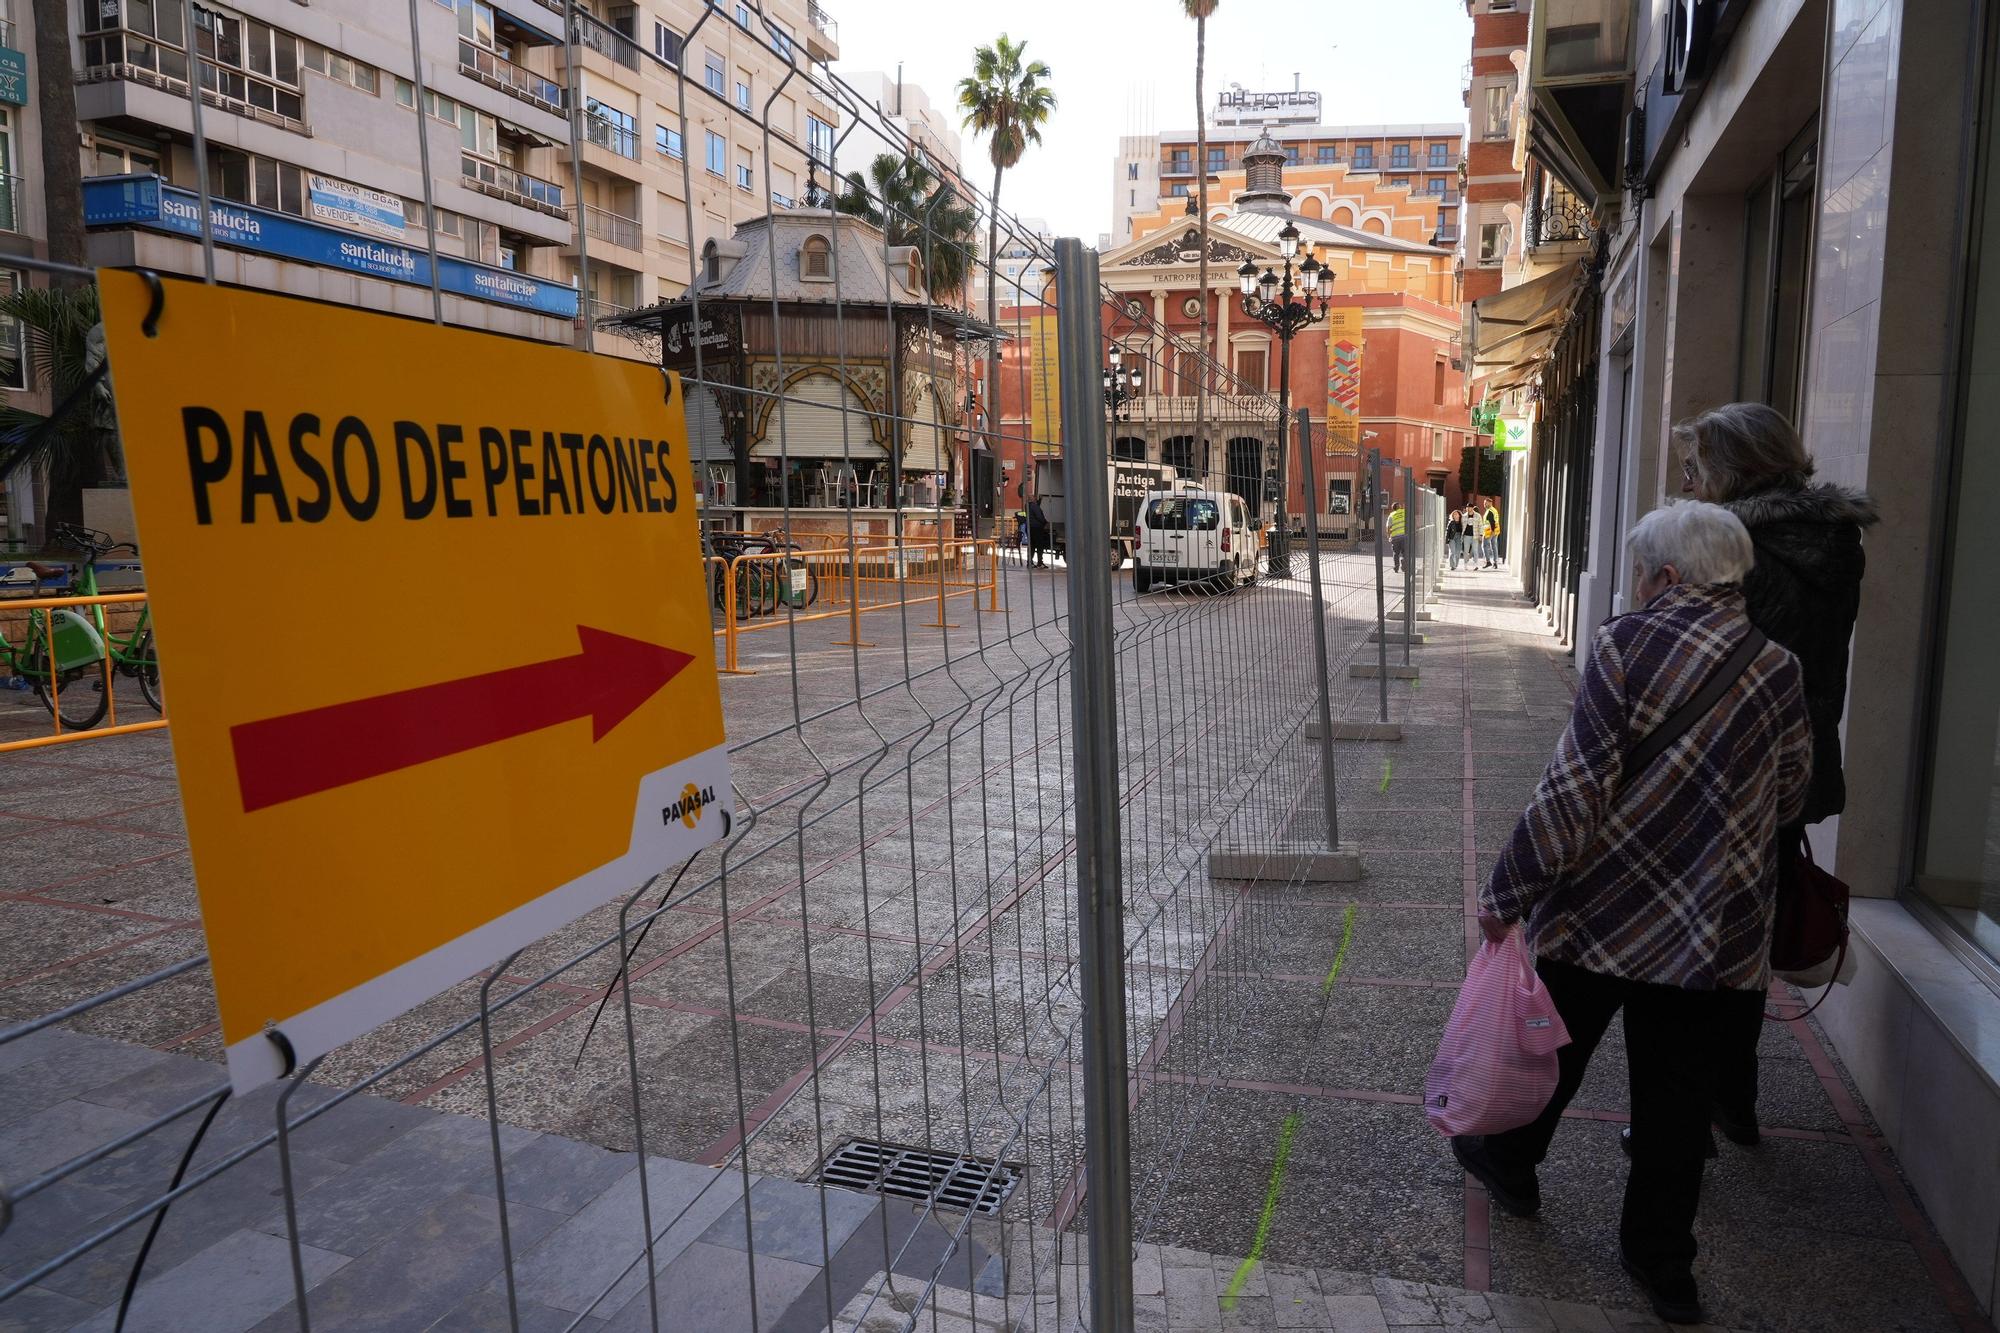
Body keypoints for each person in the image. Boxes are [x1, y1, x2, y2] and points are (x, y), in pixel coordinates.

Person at [1451, 501, 1812, 1326]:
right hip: (1711, 928)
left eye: (1641, 572)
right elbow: (1793, 791)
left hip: (1605, 907)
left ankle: (1510, 1163)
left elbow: (1574, 791)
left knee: (1559, 1047)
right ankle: (1663, 1264)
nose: (1637, 586)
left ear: (1670, 577)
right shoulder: (1777, 666)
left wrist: (1508, 892)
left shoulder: (1625, 646)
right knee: (1677, 1098)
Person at [1675, 402, 1877, 1144]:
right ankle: (1732, 1093)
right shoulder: (1831, 538)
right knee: (1747, 925)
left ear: (1731, 468)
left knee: (1704, 937)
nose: (1690, 483)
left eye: (1697, 467)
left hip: (1731, 765)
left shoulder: (1740, 543)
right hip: (1800, 759)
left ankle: (1694, 1106)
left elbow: (1715, 659)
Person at [1027, 497, 1052, 568]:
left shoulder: (1027, 506)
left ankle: (1030, 562)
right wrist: (1045, 522)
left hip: (1030, 527)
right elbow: (1039, 516)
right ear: (1033, 500)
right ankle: (1040, 562)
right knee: (1039, 546)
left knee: (1031, 545)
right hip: (1037, 528)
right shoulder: (1034, 506)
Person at [1388, 500, 1407, 573]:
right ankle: (1403, 562)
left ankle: (1396, 567)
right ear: (1400, 507)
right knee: (1405, 552)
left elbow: (1388, 527)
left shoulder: (1391, 515)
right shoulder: (1404, 512)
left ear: (1393, 508)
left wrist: (1389, 536)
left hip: (1395, 537)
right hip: (1404, 536)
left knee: (1396, 553)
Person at [1482, 501, 1501, 568]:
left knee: (1484, 545)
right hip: (1495, 530)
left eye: (1486, 503)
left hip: (1490, 531)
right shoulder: (1494, 510)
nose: (1484, 504)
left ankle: (1488, 561)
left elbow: (1492, 521)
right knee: (1494, 546)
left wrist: (1492, 531)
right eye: (1484, 503)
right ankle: (1495, 563)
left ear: (1490, 503)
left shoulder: (1490, 511)